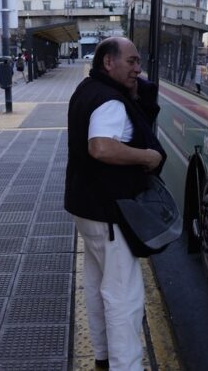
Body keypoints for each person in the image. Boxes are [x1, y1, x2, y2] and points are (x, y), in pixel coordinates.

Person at [65, 37, 165, 371]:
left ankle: (104, 357)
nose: (138, 69)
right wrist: (147, 156)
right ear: (109, 62)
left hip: (86, 208)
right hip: (109, 212)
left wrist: (135, 89)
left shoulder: (88, 88)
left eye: (139, 62)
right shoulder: (110, 102)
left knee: (97, 285)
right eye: (132, 61)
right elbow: (101, 147)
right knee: (124, 297)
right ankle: (127, 366)